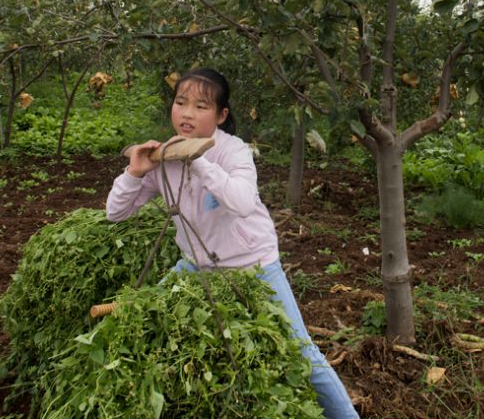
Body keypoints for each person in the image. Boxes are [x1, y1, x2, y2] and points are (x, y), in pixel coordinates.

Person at [106, 68, 359, 419]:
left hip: (252, 263)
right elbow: (116, 214)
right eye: (181, 103)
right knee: (144, 321)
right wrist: (135, 172)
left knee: (302, 352)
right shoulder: (163, 157)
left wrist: (199, 162)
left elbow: (240, 202)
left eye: (201, 106)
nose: (188, 113)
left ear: (221, 115)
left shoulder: (233, 152)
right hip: (197, 266)